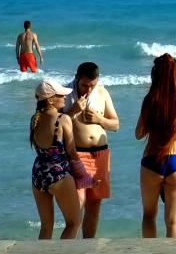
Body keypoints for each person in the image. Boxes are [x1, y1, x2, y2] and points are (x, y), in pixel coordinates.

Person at [135, 54, 176, 238]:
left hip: (152, 160)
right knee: (173, 221)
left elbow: (139, 134)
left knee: (149, 215)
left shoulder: (150, 101)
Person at [29, 80, 92, 239]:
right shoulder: (63, 119)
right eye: (61, 95)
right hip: (58, 174)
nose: (65, 97)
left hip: (38, 174)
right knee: (74, 223)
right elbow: (71, 151)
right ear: (50, 100)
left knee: (46, 227)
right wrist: (83, 174)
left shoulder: (34, 120)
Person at [64, 62, 119, 238]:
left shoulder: (102, 92)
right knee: (77, 205)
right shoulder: (64, 94)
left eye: (92, 85)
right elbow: (55, 125)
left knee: (94, 207)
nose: (88, 89)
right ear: (76, 77)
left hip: (100, 155)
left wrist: (99, 119)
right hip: (77, 154)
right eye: (84, 85)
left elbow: (116, 125)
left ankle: (88, 246)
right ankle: (70, 248)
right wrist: (72, 111)